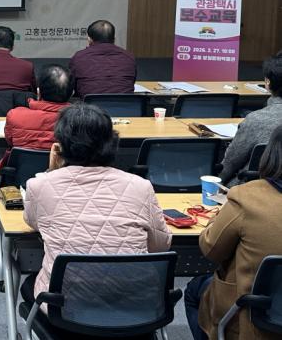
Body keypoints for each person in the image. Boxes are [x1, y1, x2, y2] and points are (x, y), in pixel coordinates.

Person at [22, 104, 171, 318]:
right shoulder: (141, 186)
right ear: (111, 142)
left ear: (60, 145)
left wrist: (52, 171)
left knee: (29, 284)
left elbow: (33, 221)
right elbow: (160, 246)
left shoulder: (39, 185)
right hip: (135, 306)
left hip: (66, 308)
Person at [184, 124, 282, 340]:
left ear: (272, 154)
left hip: (251, 320)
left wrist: (217, 218)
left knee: (193, 290)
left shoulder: (246, 197)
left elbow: (211, 250)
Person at [0, 64, 72, 189]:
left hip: (20, 182)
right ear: (72, 93)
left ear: (38, 92)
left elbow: (9, 140)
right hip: (64, 184)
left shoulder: (15, 115)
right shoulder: (81, 121)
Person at [219, 51, 282, 186]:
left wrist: (216, 183)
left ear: (268, 82)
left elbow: (230, 164)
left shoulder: (256, 120)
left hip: (255, 189)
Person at [68, 19, 137, 98]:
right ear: (114, 39)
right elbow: (131, 82)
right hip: (126, 105)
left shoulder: (79, 57)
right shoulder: (129, 57)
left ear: (89, 40)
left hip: (88, 105)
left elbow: (72, 86)